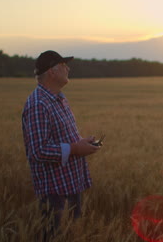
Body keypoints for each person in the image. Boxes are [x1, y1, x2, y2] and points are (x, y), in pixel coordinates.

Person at [21, 50, 100, 240]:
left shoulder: (59, 98)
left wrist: (81, 143)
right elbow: (38, 151)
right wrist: (75, 149)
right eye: (63, 65)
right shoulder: (39, 104)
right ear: (52, 72)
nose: (68, 68)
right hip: (54, 192)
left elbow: (60, 138)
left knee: (72, 235)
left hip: (71, 184)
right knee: (54, 236)